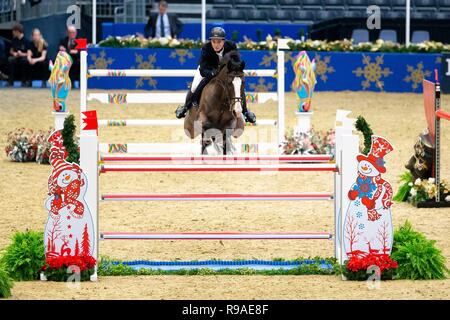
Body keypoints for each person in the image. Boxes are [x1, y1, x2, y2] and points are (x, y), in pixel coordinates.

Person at [175, 27, 256, 123]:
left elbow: (236, 62)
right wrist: (213, 73)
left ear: (224, 41)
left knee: (236, 85)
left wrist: (235, 71)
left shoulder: (231, 46)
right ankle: (185, 107)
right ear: (211, 41)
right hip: (208, 70)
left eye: (219, 42)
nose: (216, 45)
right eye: (214, 42)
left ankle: (245, 111)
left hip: (226, 71)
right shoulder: (206, 48)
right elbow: (203, 69)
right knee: (195, 86)